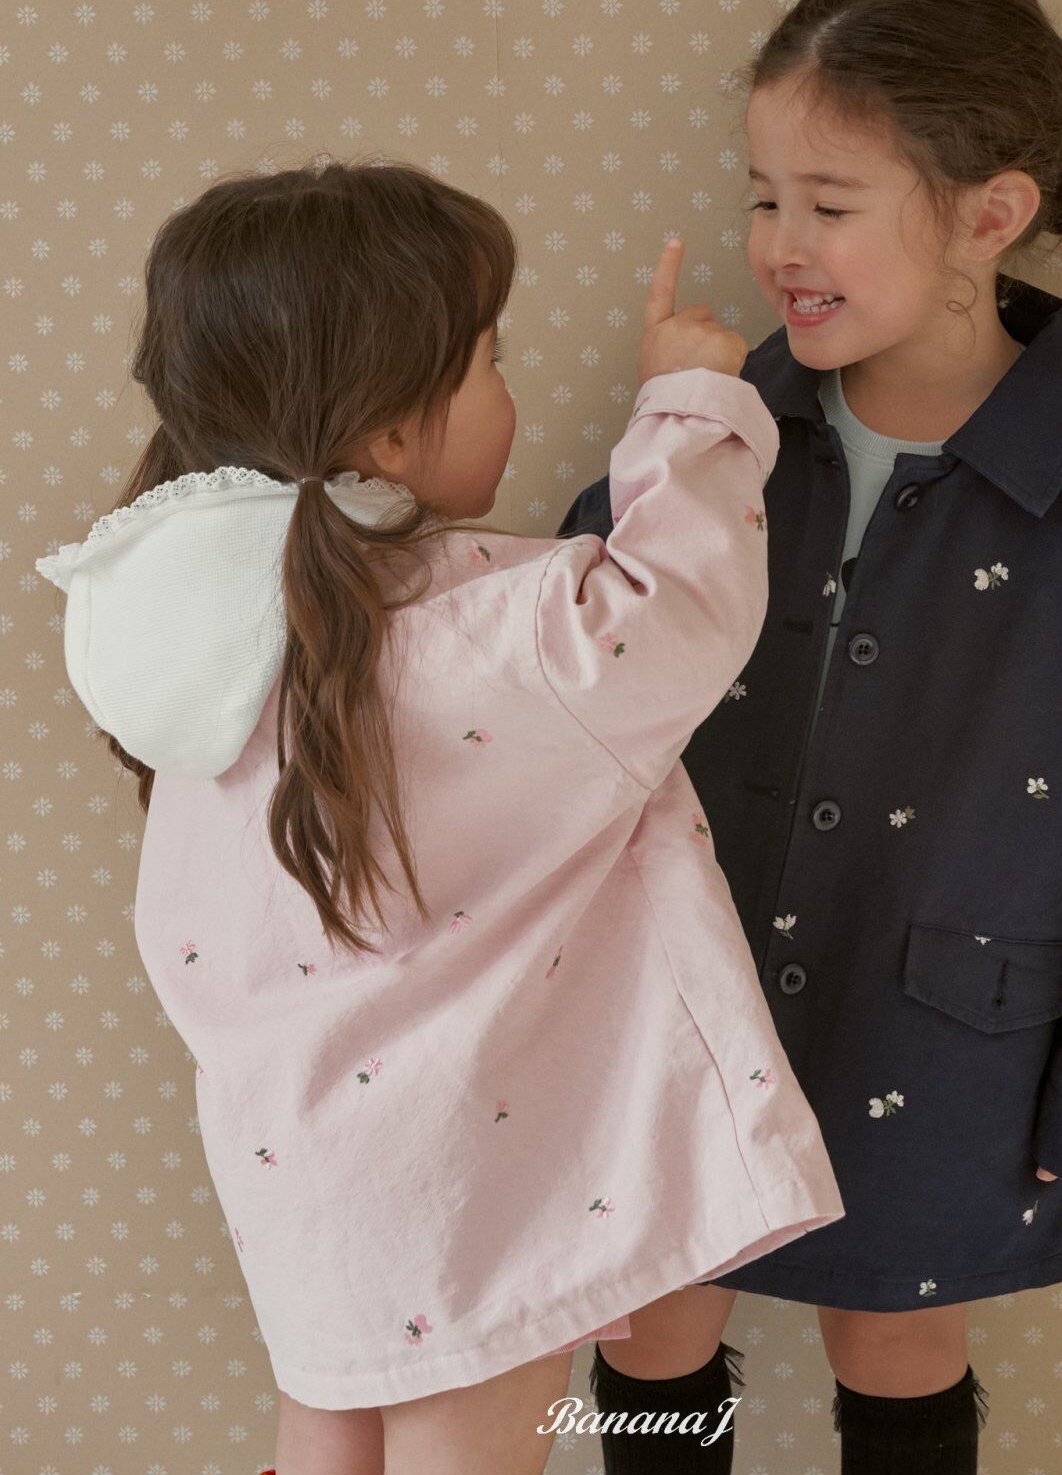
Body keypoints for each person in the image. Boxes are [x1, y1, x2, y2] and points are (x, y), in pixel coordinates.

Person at [33, 169, 847, 1475]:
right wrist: (689, 405)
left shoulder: (196, 639)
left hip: (301, 1170)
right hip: (467, 1180)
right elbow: (680, 612)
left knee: (328, 1433)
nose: (508, 387)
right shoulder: (483, 630)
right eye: (490, 360)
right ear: (390, 434)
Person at [558, 0, 1062, 1475]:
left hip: (949, 1034)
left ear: (990, 215)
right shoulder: (721, 431)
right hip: (684, 996)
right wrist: (674, 432)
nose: (778, 245)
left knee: (902, 1339)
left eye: (829, 203)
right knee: (650, 1324)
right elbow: (568, 669)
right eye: (763, 196)